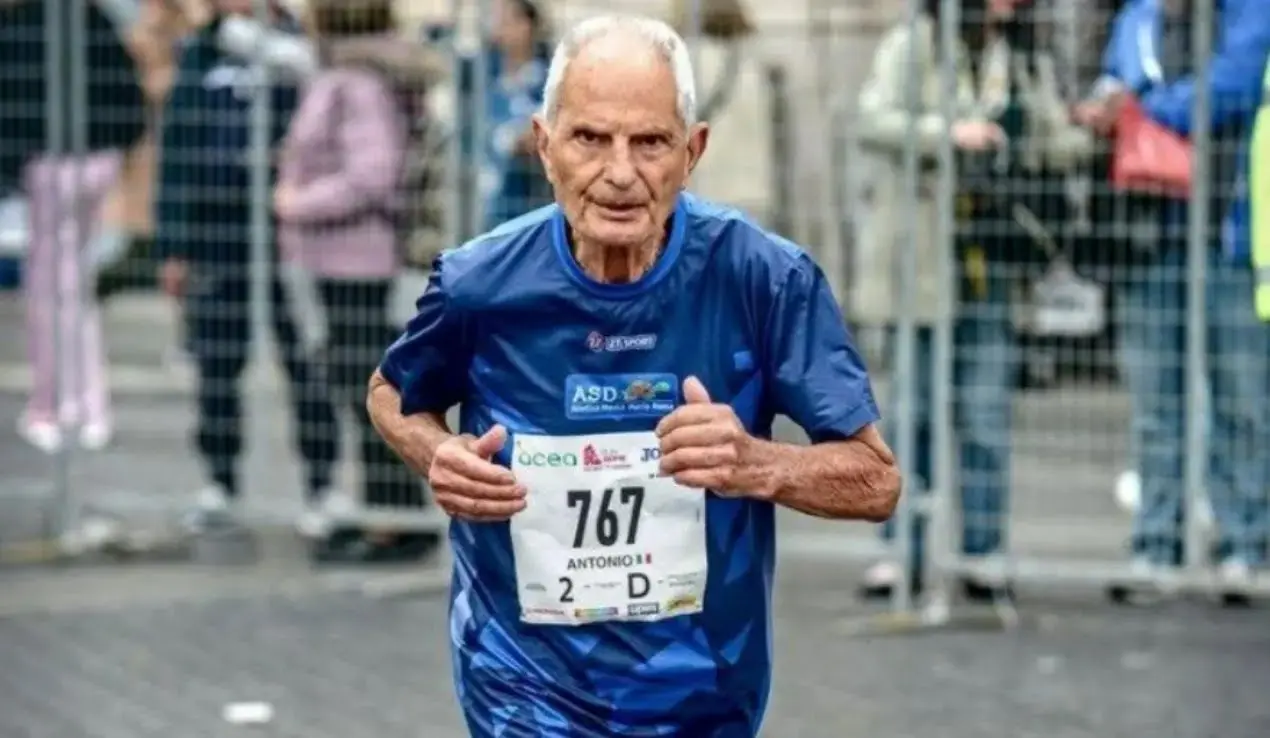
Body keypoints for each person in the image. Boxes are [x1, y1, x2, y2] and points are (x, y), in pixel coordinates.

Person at [366, 15, 901, 736]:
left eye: (650, 142)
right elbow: (392, 393)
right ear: (546, 146)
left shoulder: (762, 279)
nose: (620, 173)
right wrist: (439, 455)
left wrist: (755, 463)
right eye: (590, 139)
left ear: (693, 150)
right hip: (523, 682)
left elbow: (876, 481)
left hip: (703, 691)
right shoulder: (480, 283)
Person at [852, 0, 1091, 601]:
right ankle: (897, 553)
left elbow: (1050, 140)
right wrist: (949, 132)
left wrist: (1090, 129)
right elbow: (872, 118)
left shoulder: (1025, 57)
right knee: (912, 414)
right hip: (924, 260)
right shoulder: (917, 41)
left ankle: (982, 554)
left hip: (991, 261)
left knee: (985, 412)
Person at [1073, 0, 1270, 604]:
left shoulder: (1250, 13)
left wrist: (1143, 108)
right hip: (1150, 236)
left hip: (1227, 239)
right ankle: (1155, 546)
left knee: (1241, 400)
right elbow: (1114, 75)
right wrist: (1109, 101)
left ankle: (1245, 548)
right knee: (1157, 405)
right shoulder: (1140, 17)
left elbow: (1232, 89)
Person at [154, 0, 338, 530]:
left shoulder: (302, 48)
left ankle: (321, 488)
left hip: (290, 232)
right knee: (217, 363)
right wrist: (175, 244)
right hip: (219, 232)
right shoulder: (202, 52)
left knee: (305, 364)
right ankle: (220, 483)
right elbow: (178, 150)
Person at [274, 0, 443, 558]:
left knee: (368, 394)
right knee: (360, 390)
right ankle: (387, 512)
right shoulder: (356, 76)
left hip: (353, 260)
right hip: (344, 260)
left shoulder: (357, 83)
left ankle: (395, 519)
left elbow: (372, 174)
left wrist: (297, 202)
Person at [0, 0, 147, 453]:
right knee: (69, 286)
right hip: (93, 160)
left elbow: (12, 103)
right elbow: (129, 98)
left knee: (51, 288)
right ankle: (84, 405)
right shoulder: (94, 19)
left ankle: (57, 405)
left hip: (51, 165)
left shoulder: (23, 25)